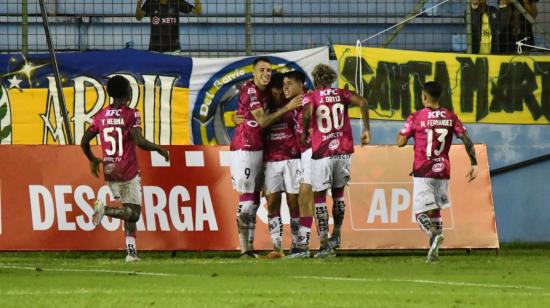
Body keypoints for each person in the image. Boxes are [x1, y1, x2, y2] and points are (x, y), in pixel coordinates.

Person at [81, 75, 169, 262]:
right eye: (129, 88)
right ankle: (105, 210)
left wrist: (92, 159)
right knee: (134, 214)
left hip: (110, 170)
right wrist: (159, 148)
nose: (131, 90)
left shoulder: (101, 115)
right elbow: (139, 141)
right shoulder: (131, 113)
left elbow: (84, 141)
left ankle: (131, 252)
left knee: (129, 210)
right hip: (128, 170)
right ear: (126, 92)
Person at [396, 81, 478, 263]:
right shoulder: (450, 116)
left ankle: (434, 235)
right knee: (435, 211)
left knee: (420, 213)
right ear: (439, 97)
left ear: (424, 96)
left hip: (423, 170)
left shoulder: (416, 117)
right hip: (443, 170)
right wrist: (474, 163)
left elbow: (400, 142)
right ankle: (434, 252)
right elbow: (466, 139)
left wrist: (406, 133)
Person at [230, 57, 301, 258]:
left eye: (269, 70)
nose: (266, 73)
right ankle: (245, 250)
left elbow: (246, 114)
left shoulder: (267, 93)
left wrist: (238, 116)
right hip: (245, 148)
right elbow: (261, 120)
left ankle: (249, 249)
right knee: (248, 200)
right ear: (253, 72)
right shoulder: (251, 90)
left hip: (261, 150)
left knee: (253, 199)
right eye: (261, 70)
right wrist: (287, 108)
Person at [302, 64, 371, 258]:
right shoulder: (342, 94)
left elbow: (307, 113)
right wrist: (366, 129)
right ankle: (337, 235)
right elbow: (363, 102)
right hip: (343, 151)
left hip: (322, 152)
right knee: (339, 194)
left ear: (315, 80)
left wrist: (305, 132)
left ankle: (324, 242)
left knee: (319, 196)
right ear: (331, 80)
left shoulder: (313, 96)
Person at [262, 73, 304, 259]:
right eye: (277, 90)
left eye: (283, 89)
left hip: (293, 158)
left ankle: (296, 244)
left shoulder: (297, 103)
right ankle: (277, 247)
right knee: (272, 203)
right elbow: (259, 123)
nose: (280, 93)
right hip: (270, 161)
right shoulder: (266, 106)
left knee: (294, 202)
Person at [282, 71, 315, 258]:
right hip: (304, 154)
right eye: (284, 84)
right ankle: (310, 244)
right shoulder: (292, 104)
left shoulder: (307, 98)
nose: (285, 87)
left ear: (301, 85)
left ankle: (302, 245)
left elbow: (311, 106)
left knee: (305, 196)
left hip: (314, 150)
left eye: (289, 83)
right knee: (309, 198)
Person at [136, 0, 202, 53]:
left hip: (173, 49)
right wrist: (139, 3)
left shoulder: (177, 1)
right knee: (155, 70)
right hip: (155, 48)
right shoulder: (150, 2)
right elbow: (138, 17)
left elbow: (198, 11)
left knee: (173, 69)